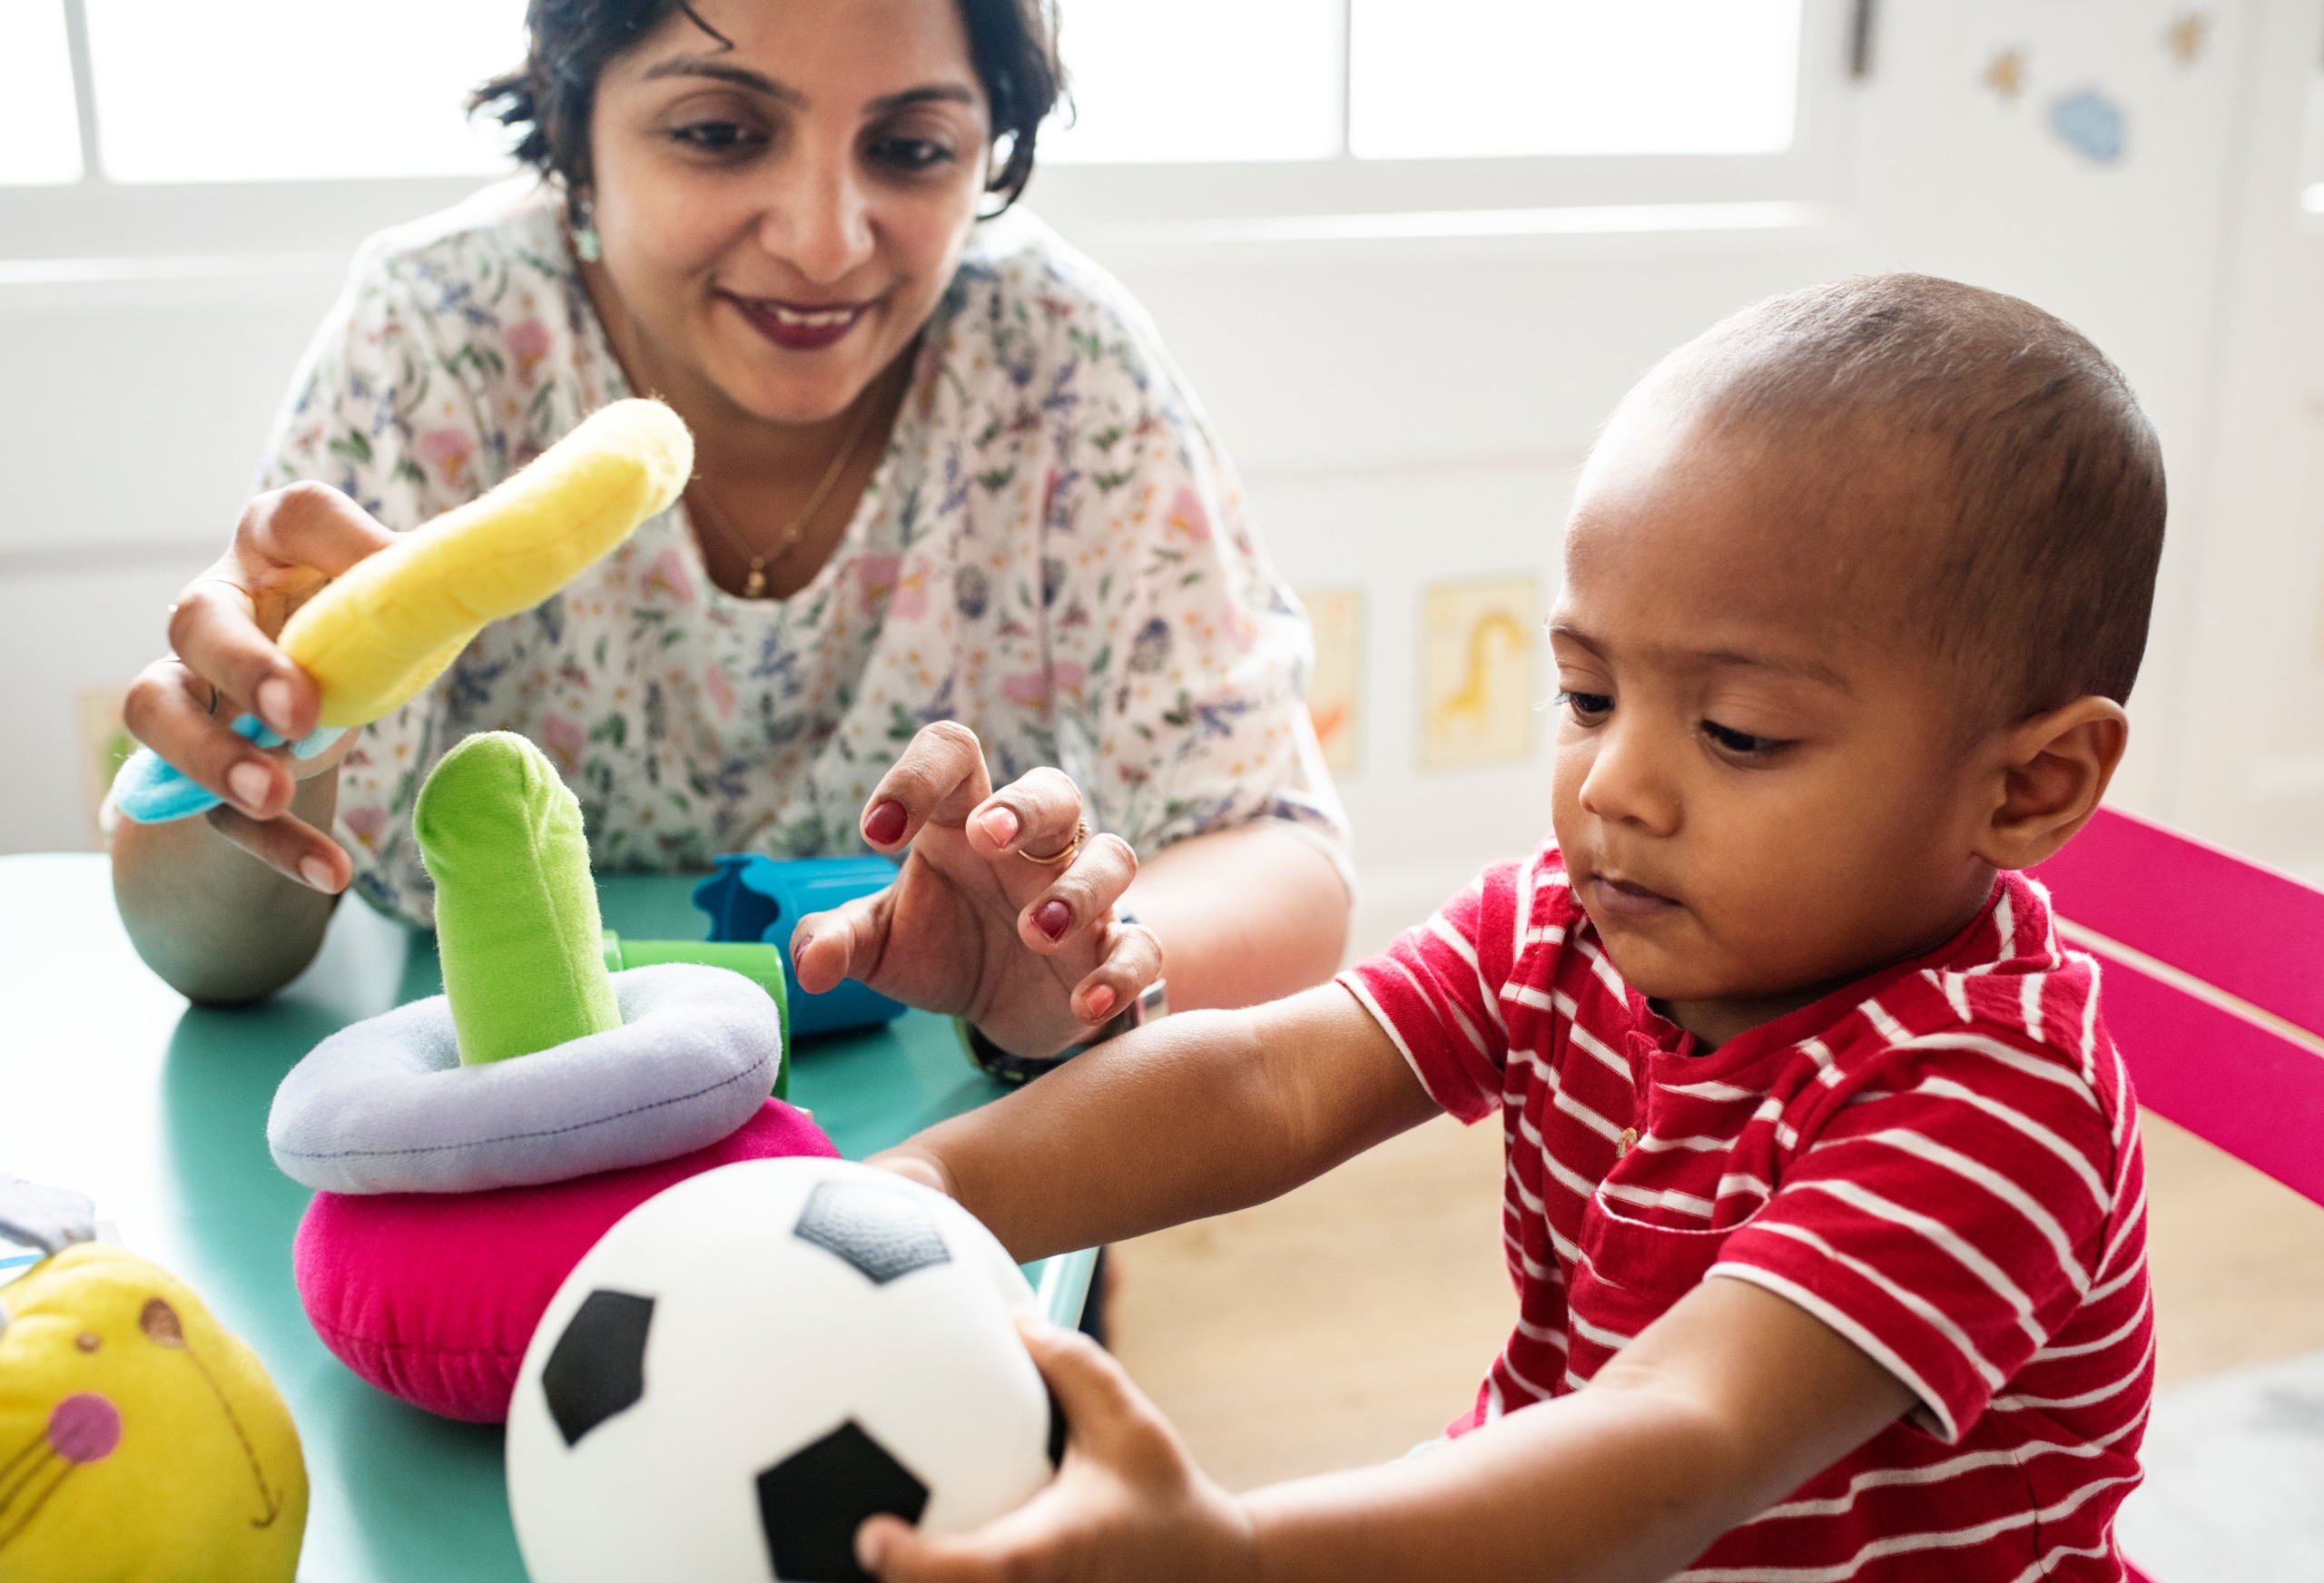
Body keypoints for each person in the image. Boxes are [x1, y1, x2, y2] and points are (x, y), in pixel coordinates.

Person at [862, 275, 2162, 1582]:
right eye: (1589, 695)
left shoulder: (1998, 1097)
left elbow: (1680, 1435)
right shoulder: (1561, 927)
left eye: (1737, 734)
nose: (1612, 788)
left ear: (2030, 787)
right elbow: (1270, 1083)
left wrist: (1240, 1555)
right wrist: (927, 1185)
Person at [111, 0, 1353, 1057]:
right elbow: (211, 958)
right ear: (574, 126)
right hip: (503, 1114)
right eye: (719, 133)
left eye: (913, 148)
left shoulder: (1053, 359)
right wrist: (265, 740)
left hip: (964, 1140)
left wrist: (1067, 969)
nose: (824, 240)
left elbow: (1280, 852)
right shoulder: (437, 339)